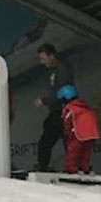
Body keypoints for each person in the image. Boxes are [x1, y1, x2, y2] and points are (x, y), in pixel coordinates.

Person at [33, 43, 74, 172]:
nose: (42, 62)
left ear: (51, 56)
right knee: (47, 141)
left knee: (67, 141)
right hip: (56, 110)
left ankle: (73, 168)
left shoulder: (62, 68)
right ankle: (43, 165)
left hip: (64, 110)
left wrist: (44, 100)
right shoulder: (53, 71)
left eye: (43, 58)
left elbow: (62, 91)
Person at [58, 85, 99, 174]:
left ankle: (70, 169)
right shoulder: (85, 107)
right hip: (91, 133)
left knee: (73, 151)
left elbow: (68, 122)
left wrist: (67, 133)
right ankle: (84, 167)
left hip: (79, 132)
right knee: (85, 151)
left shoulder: (70, 109)